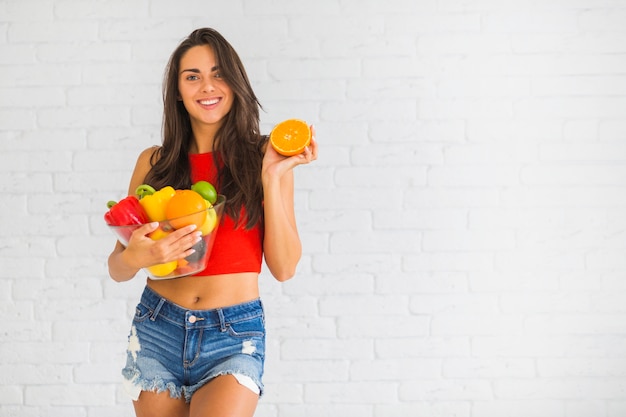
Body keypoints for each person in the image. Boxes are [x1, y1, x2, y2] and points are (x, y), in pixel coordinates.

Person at [107, 28, 318, 417]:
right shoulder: (152, 164)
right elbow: (118, 268)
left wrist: (270, 177)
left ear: (235, 83)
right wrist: (138, 255)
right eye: (192, 76)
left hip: (233, 333)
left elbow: (284, 268)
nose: (207, 86)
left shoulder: (264, 156)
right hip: (157, 327)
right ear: (177, 90)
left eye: (218, 73)